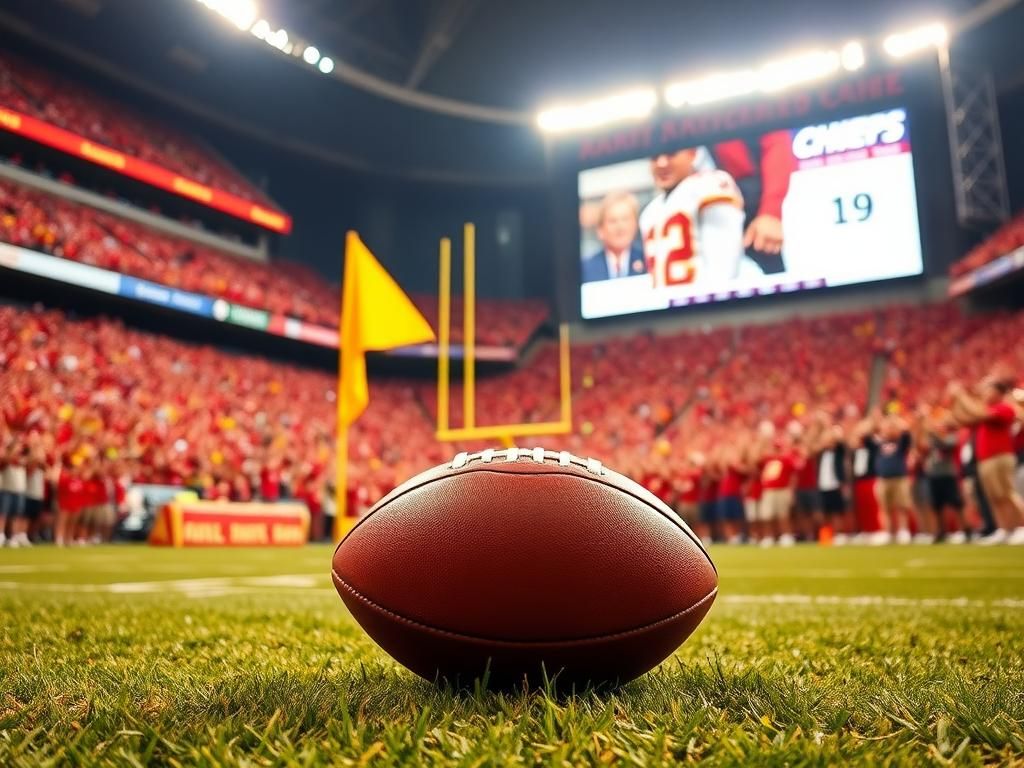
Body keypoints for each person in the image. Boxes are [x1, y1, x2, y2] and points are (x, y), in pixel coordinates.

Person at [639, 148, 746, 290]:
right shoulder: (649, 212)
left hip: (704, 307)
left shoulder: (709, 184)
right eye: (654, 156)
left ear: (692, 153)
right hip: (666, 308)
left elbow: (724, 270)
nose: (661, 163)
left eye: (671, 153)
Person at [949, 378, 1024, 544]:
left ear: (1000, 393)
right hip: (986, 459)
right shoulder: (987, 410)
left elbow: (977, 413)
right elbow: (963, 419)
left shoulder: (1004, 408)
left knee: (1007, 493)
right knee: (994, 497)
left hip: (1001, 457)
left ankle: (1020, 527)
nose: (985, 393)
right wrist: (955, 401)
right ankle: (1005, 529)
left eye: (988, 390)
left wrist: (962, 396)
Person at [581, 191, 646, 283]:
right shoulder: (585, 269)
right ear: (600, 230)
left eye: (625, 219)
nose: (620, 227)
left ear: (635, 225)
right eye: (613, 221)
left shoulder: (648, 262)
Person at [871, 413, 915, 544]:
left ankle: (903, 531)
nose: (889, 429)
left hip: (899, 478)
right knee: (885, 509)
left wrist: (895, 421)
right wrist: (879, 423)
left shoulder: (901, 442)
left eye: (892, 427)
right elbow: (865, 434)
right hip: (883, 479)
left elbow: (907, 432)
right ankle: (888, 532)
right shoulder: (879, 443)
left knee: (902, 507)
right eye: (887, 427)